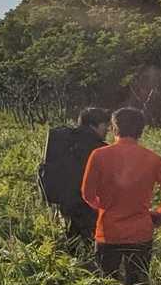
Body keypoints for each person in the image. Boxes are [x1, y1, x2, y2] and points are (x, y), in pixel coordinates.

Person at [80, 106, 161, 285]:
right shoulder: (153, 159)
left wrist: (103, 208)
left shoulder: (98, 155)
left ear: (114, 128)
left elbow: (87, 194)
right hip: (140, 232)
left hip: (108, 232)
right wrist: (159, 214)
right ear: (141, 130)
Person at [38, 107, 109, 251]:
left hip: (64, 202)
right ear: (93, 125)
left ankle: (71, 260)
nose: (107, 129)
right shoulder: (100, 148)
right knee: (91, 245)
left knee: (71, 241)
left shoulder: (65, 141)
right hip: (88, 206)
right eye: (104, 125)